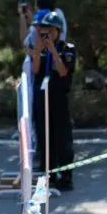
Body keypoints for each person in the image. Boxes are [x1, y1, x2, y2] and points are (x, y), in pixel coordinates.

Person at [31, 11, 76, 192]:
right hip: (43, 98)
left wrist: (53, 51)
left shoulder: (67, 49)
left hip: (59, 97)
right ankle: (48, 175)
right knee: (44, 137)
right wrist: (38, 51)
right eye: (44, 30)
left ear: (58, 30)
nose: (47, 34)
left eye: (50, 30)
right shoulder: (40, 49)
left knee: (62, 139)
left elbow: (64, 72)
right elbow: (35, 70)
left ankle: (66, 176)